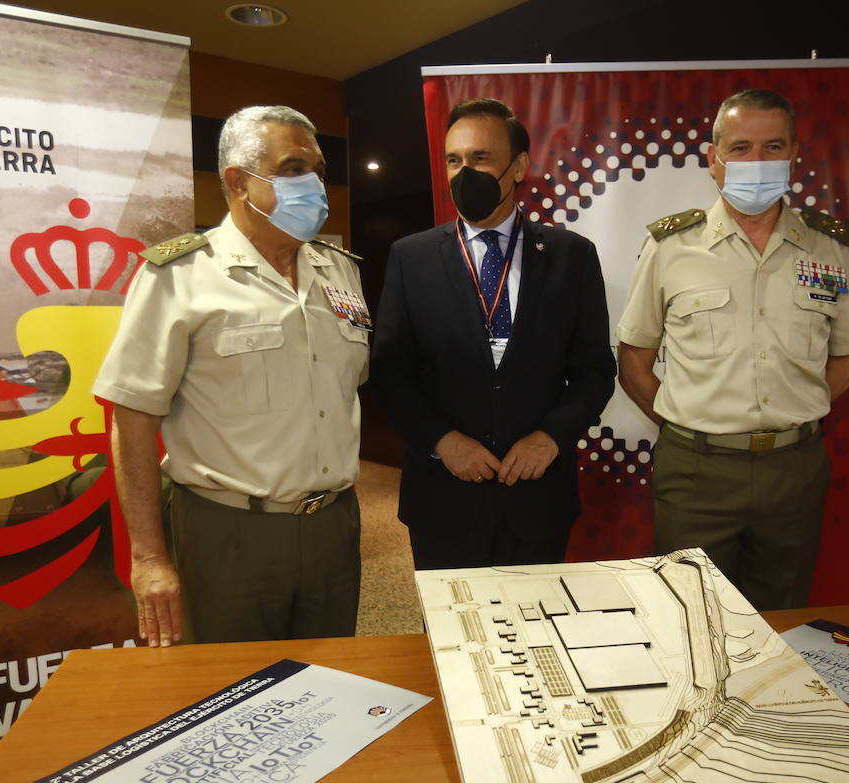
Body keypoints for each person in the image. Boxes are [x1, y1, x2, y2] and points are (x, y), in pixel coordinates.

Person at [93, 105, 369, 647]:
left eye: (318, 170)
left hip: (335, 524)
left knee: (332, 684)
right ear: (239, 182)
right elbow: (131, 421)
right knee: (233, 700)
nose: (314, 185)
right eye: (293, 169)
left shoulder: (342, 271)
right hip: (230, 533)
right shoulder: (179, 275)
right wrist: (148, 556)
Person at [616, 89, 849, 611]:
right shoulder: (672, 247)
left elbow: (844, 359)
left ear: (795, 153)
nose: (758, 161)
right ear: (714, 160)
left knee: (783, 613)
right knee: (688, 617)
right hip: (695, 472)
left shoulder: (829, 246)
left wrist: (792, 411)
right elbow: (634, 361)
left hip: (794, 471)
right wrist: (689, 426)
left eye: (772, 146)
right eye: (741, 147)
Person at [371, 98, 615, 570]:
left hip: (539, 495)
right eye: (454, 160)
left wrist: (550, 436)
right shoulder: (411, 256)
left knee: (541, 629)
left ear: (519, 166)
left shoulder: (571, 255)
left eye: (480, 158)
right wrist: (443, 441)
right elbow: (391, 372)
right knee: (451, 636)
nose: (466, 172)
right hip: (443, 495)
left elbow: (595, 371)